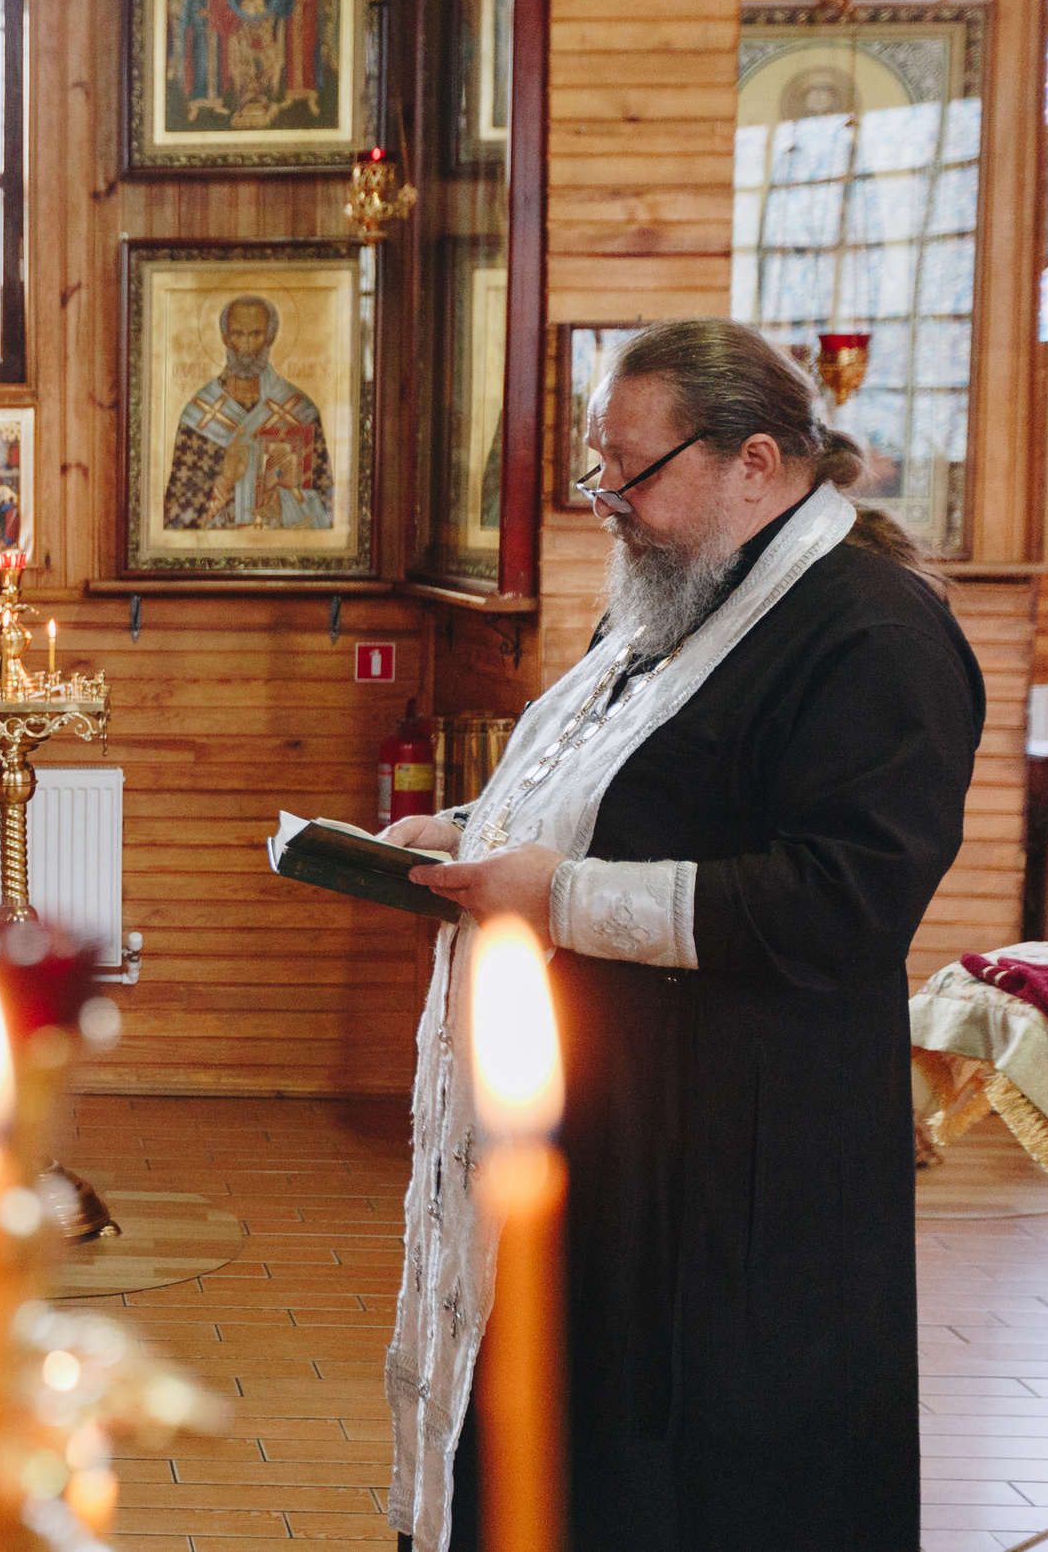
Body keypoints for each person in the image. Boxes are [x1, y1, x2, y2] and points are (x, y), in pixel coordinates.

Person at [376, 318, 983, 1552]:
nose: (604, 500)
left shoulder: (873, 638)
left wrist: (555, 896)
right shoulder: (680, 593)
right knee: (573, 1444)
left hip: (739, 1168)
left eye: (629, 472)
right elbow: (602, 794)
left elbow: (842, 903)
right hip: (608, 1127)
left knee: (705, 1470)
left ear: (754, 461)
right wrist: (466, 834)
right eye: (597, 466)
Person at [160, 295, 331, 531]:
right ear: (224, 338)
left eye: (255, 334)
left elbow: (326, 501)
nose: (247, 348)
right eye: (238, 335)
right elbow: (176, 516)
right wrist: (224, 481)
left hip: (280, 553)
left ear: (270, 338)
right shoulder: (198, 416)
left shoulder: (300, 411)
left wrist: (282, 502)